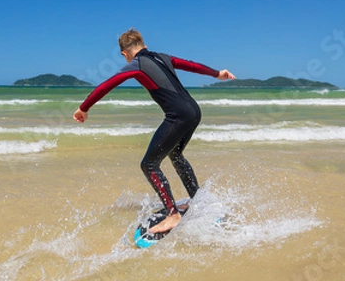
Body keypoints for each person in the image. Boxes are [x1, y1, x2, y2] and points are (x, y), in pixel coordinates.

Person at [73, 29, 236, 234]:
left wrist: (84, 108)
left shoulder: (136, 65)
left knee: (149, 164)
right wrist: (216, 73)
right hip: (194, 111)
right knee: (175, 154)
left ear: (125, 53)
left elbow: (107, 85)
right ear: (145, 46)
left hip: (178, 116)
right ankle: (198, 200)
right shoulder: (163, 57)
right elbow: (191, 65)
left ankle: (173, 215)